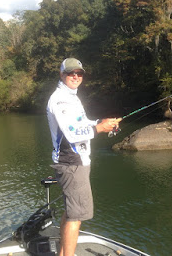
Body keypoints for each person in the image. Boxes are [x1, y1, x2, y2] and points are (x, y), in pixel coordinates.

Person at [46, 58, 121, 256]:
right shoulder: (60, 99)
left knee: (72, 211)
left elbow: (82, 122)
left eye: (79, 73)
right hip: (71, 162)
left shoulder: (72, 97)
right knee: (75, 216)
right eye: (71, 73)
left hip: (77, 161)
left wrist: (100, 121)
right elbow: (71, 134)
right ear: (62, 75)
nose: (76, 77)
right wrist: (99, 129)